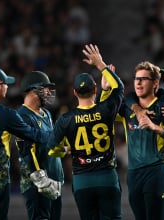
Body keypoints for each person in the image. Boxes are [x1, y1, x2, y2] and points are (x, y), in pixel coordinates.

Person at [48, 44, 124, 220]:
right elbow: (118, 87)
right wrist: (100, 64)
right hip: (107, 177)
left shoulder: (65, 119)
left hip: (82, 180)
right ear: (95, 90)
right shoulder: (106, 110)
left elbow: (52, 149)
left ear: (74, 92)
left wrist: (68, 150)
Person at [0, 68, 53, 220]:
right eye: (6, 84)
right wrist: (57, 134)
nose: (7, 87)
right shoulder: (6, 114)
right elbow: (34, 135)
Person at [115, 61, 164, 220]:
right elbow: (105, 110)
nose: (138, 82)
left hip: (157, 170)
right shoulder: (128, 107)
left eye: (144, 79)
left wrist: (155, 127)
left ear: (155, 83)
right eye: (137, 78)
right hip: (134, 173)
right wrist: (107, 88)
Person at [16, 71, 64, 220]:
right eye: (45, 88)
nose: (49, 92)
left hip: (53, 178)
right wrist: (40, 179)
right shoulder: (22, 116)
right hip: (38, 183)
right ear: (33, 89)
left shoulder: (46, 114)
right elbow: (26, 150)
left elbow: (49, 143)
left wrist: (63, 150)